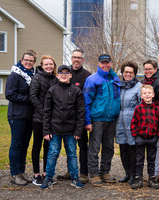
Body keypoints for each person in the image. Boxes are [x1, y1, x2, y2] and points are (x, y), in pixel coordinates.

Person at [40, 65, 85, 189]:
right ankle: (49, 178)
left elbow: (81, 112)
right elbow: (47, 112)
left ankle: (75, 178)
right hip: (55, 129)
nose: (64, 75)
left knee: (72, 154)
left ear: (70, 75)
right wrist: (46, 130)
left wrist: (78, 130)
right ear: (57, 75)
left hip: (71, 130)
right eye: (61, 73)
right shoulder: (52, 90)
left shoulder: (76, 91)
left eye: (67, 73)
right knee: (53, 153)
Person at [83, 54, 121, 186]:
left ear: (111, 63)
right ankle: (93, 174)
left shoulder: (115, 78)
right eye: (102, 63)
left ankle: (105, 171)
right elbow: (86, 102)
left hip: (111, 119)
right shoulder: (92, 79)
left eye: (107, 62)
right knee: (94, 147)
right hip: (97, 119)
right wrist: (87, 121)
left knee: (109, 147)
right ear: (98, 63)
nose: (105, 65)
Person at [57, 49, 91, 184]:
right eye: (74, 57)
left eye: (79, 58)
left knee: (83, 146)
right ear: (71, 59)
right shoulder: (64, 73)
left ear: (83, 60)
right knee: (69, 146)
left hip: (80, 117)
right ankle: (71, 170)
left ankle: (83, 172)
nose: (76, 60)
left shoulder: (87, 76)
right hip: (66, 118)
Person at [5, 50, 36, 186]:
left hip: (29, 116)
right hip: (17, 115)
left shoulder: (32, 76)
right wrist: (29, 99)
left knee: (24, 145)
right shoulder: (15, 75)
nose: (29, 62)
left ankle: (21, 171)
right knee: (16, 144)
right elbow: (9, 94)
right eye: (26, 60)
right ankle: (14, 174)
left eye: (31, 60)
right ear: (21, 60)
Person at [30, 55, 58, 186]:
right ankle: (36, 174)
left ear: (54, 66)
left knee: (48, 147)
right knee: (37, 145)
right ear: (42, 65)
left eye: (51, 64)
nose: (49, 66)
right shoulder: (37, 78)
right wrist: (44, 112)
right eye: (46, 64)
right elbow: (33, 96)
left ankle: (47, 173)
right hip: (38, 119)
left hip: (52, 120)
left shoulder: (55, 79)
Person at [130, 84, 159, 190]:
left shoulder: (157, 109)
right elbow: (133, 123)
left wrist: (157, 135)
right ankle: (138, 178)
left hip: (152, 138)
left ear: (153, 95)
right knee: (139, 159)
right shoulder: (138, 108)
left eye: (149, 93)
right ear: (141, 96)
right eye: (145, 93)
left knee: (151, 159)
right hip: (140, 138)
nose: (147, 95)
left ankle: (151, 178)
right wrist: (135, 134)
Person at [115, 61, 142, 185]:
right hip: (120, 120)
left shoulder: (139, 87)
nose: (128, 74)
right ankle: (126, 172)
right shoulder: (118, 86)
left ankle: (133, 173)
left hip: (133, 120)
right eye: (126, 72)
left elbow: (142, 106)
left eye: (130, 72)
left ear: (134, 73)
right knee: (123, 147)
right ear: (122, 73)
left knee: (133, 148)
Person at [142, 60, 159, 182]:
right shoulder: (143, 82)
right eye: (145, 69)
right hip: (144, 119)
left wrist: (157, 119)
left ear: (155, 69)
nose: (147, 71)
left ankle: (156, 172)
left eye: (150, 69)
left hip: (156, 119)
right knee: (145, 145)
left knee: (157, 144)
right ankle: (148, 171)